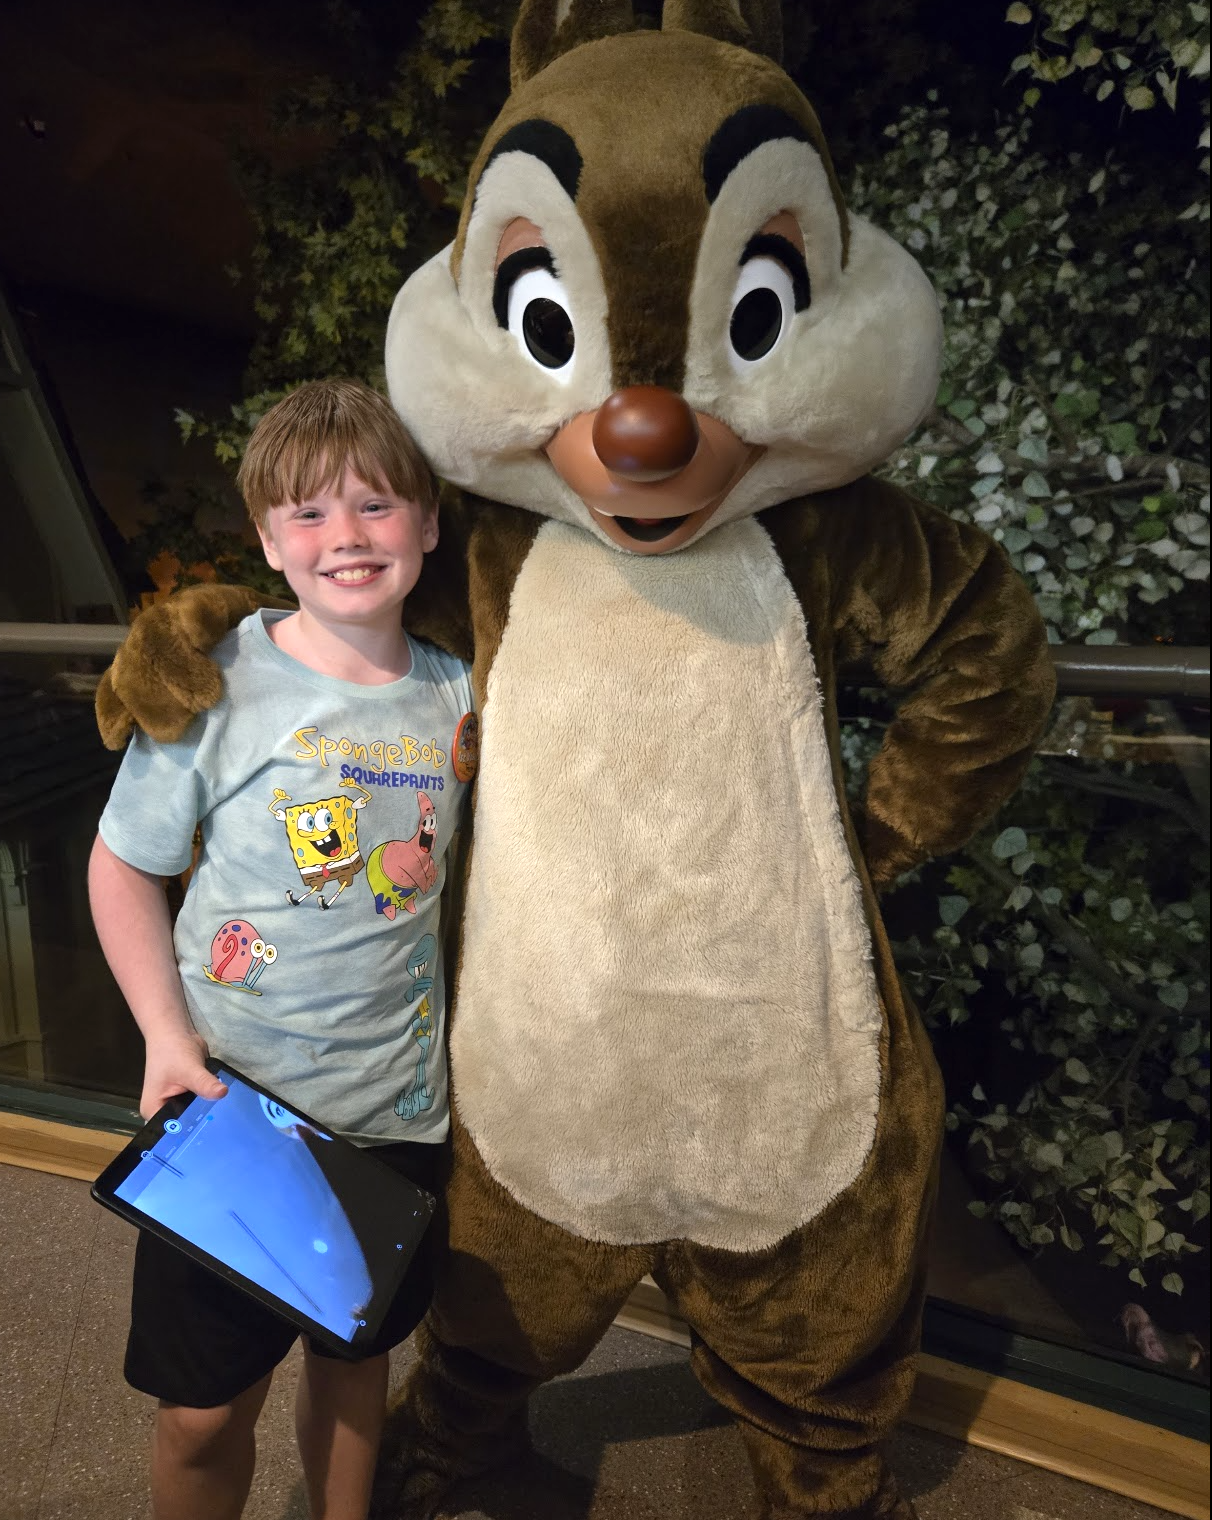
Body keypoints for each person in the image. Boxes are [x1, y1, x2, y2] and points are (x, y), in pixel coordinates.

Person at [88, 377, 476, 1520]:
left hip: (395, 1111)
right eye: (308, 511)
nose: (345, 534)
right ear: (266, 538)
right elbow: (121, 864)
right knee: (203, 1409)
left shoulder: (460, 692)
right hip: (233, 1105)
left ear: (428, 522)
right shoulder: (219, 684)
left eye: (375, 504)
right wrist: (165, 1038)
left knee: (354, 1363)